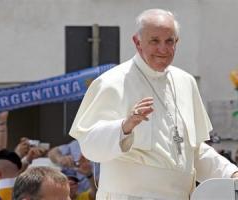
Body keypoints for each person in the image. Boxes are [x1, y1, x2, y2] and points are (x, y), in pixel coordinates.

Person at [69, 8, 238, 200]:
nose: (163, 49)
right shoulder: (111, 82)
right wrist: (125, 127)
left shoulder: (186, 82)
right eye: (154, 41)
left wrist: (230, 174)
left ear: (177, 42)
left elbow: (193, 150)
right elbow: (89, 146)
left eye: (169, 41)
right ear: (137, 42)